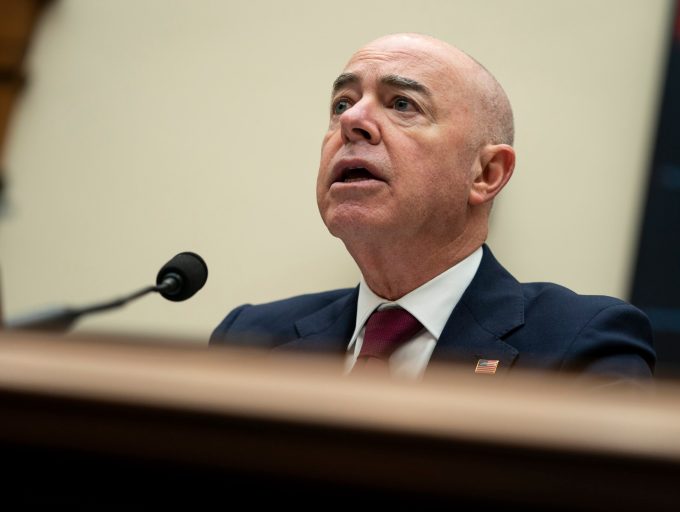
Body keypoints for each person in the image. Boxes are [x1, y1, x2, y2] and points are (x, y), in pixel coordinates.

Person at [210, 33, 655, 383]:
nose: (351, 121)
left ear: (487, 174)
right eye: (342, 104)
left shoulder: (580, 344)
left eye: (402, 104)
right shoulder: (251, 338)